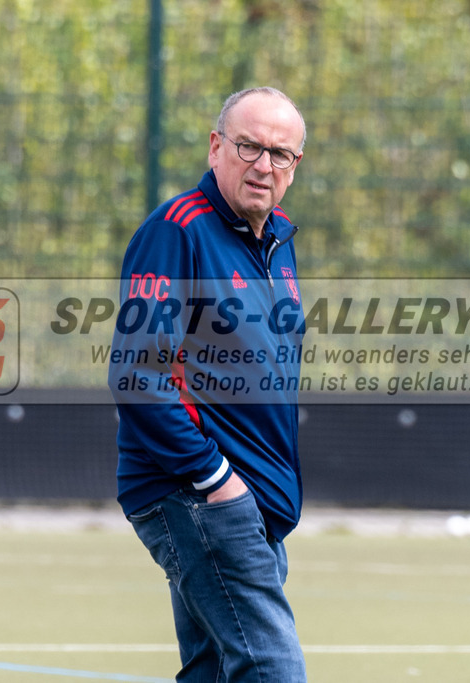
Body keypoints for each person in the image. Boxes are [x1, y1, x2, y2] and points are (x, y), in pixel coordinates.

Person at [108, 87, 308, 682]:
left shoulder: (277, 243)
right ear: (217, 146)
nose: (263, 165)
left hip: (256, 504)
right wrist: (217, 480)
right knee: (273, 670)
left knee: (216, 672)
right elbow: (137, 372)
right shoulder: (177, 233)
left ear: (296, 166)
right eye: (249, 147)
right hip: (200, 494)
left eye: (281, 154)